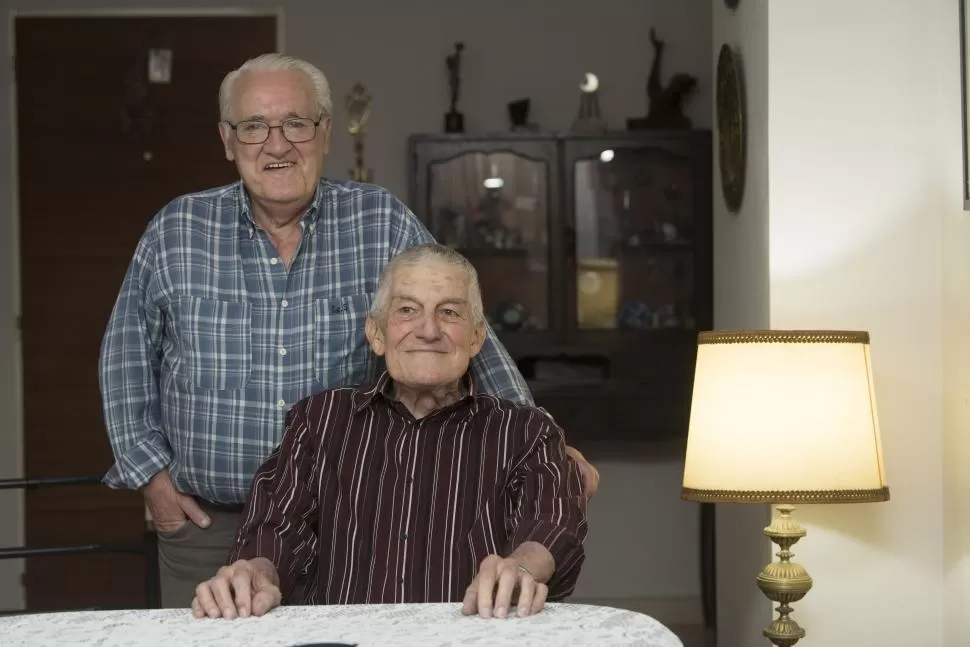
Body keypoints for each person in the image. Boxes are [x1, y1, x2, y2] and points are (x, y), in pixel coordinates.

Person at [98, 52, 600, 609]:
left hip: (338, 530)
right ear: (227, 139)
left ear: (325, 132)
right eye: (254, 126)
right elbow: (125, 359)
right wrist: (154, 482)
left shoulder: (379, 221)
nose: (277, 143)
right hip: (206, 522)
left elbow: (454, 320)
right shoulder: (176, 231)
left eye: (296, 122)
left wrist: (546, 448)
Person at [192, 244, 588, 620]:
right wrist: (257, 572)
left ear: (476, 337)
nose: (428, 330)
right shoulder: (320, 420)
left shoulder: (527, 430)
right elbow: (276, 525)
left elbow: (552, 521)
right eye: (407, 310)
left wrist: (522, 568)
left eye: (449, 312)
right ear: (377, 333)